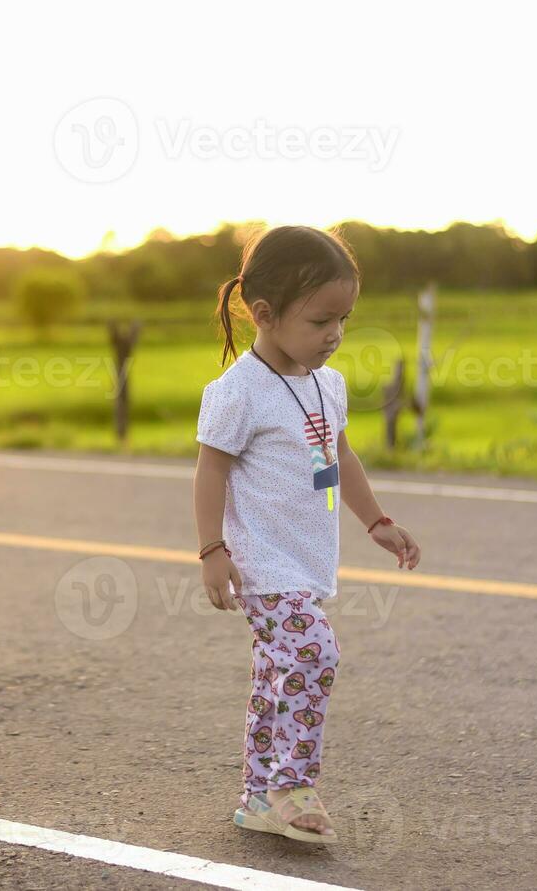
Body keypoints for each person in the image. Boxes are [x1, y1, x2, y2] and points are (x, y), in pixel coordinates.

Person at [192, 224, 422, 844]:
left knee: (278, 674)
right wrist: (212, 551)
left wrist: (376, 520)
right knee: (312, 654)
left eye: (344, 319)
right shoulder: (237, 393)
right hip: (263, 565)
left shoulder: (329, 384)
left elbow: (339, 456)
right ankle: (293, 787)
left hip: (307, 559)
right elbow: (210, 468)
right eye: (321, 321)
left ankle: (257, 797)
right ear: (263, 314)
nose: (335, 335)